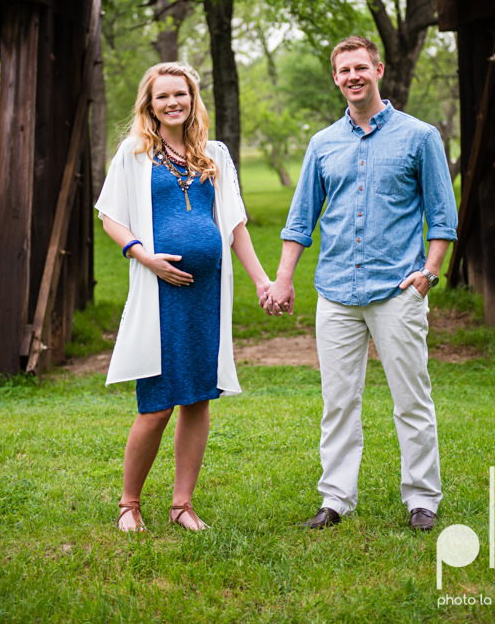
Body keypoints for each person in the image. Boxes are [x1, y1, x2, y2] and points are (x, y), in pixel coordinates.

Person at [262, 35, 458, 532]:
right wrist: (284, 279)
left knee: (411, 399)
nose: (352, 76)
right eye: (343, 70)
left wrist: (429, 274)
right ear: (336, 78)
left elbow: (442, 216)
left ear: (379, 69)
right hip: (335, 294)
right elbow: (300, 219)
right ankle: (335, 500)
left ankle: (421, 499)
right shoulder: (322, 144)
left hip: (398, 290)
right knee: (338, 402)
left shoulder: (420, 136)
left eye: (360, 67)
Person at [96, 61, 271, 533]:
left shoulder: (215, 153)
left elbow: (234, 224)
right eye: (162, 96)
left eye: (182, 94)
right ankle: (129, 505)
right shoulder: (133, 154)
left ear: (194, 99)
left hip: (207, 295)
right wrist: (143, 256)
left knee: (197, 399)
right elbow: (110, 216)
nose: (173, 102)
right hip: (161, 294)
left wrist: (260, 281)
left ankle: (181, 505)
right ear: (148, 105)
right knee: (156, 402)